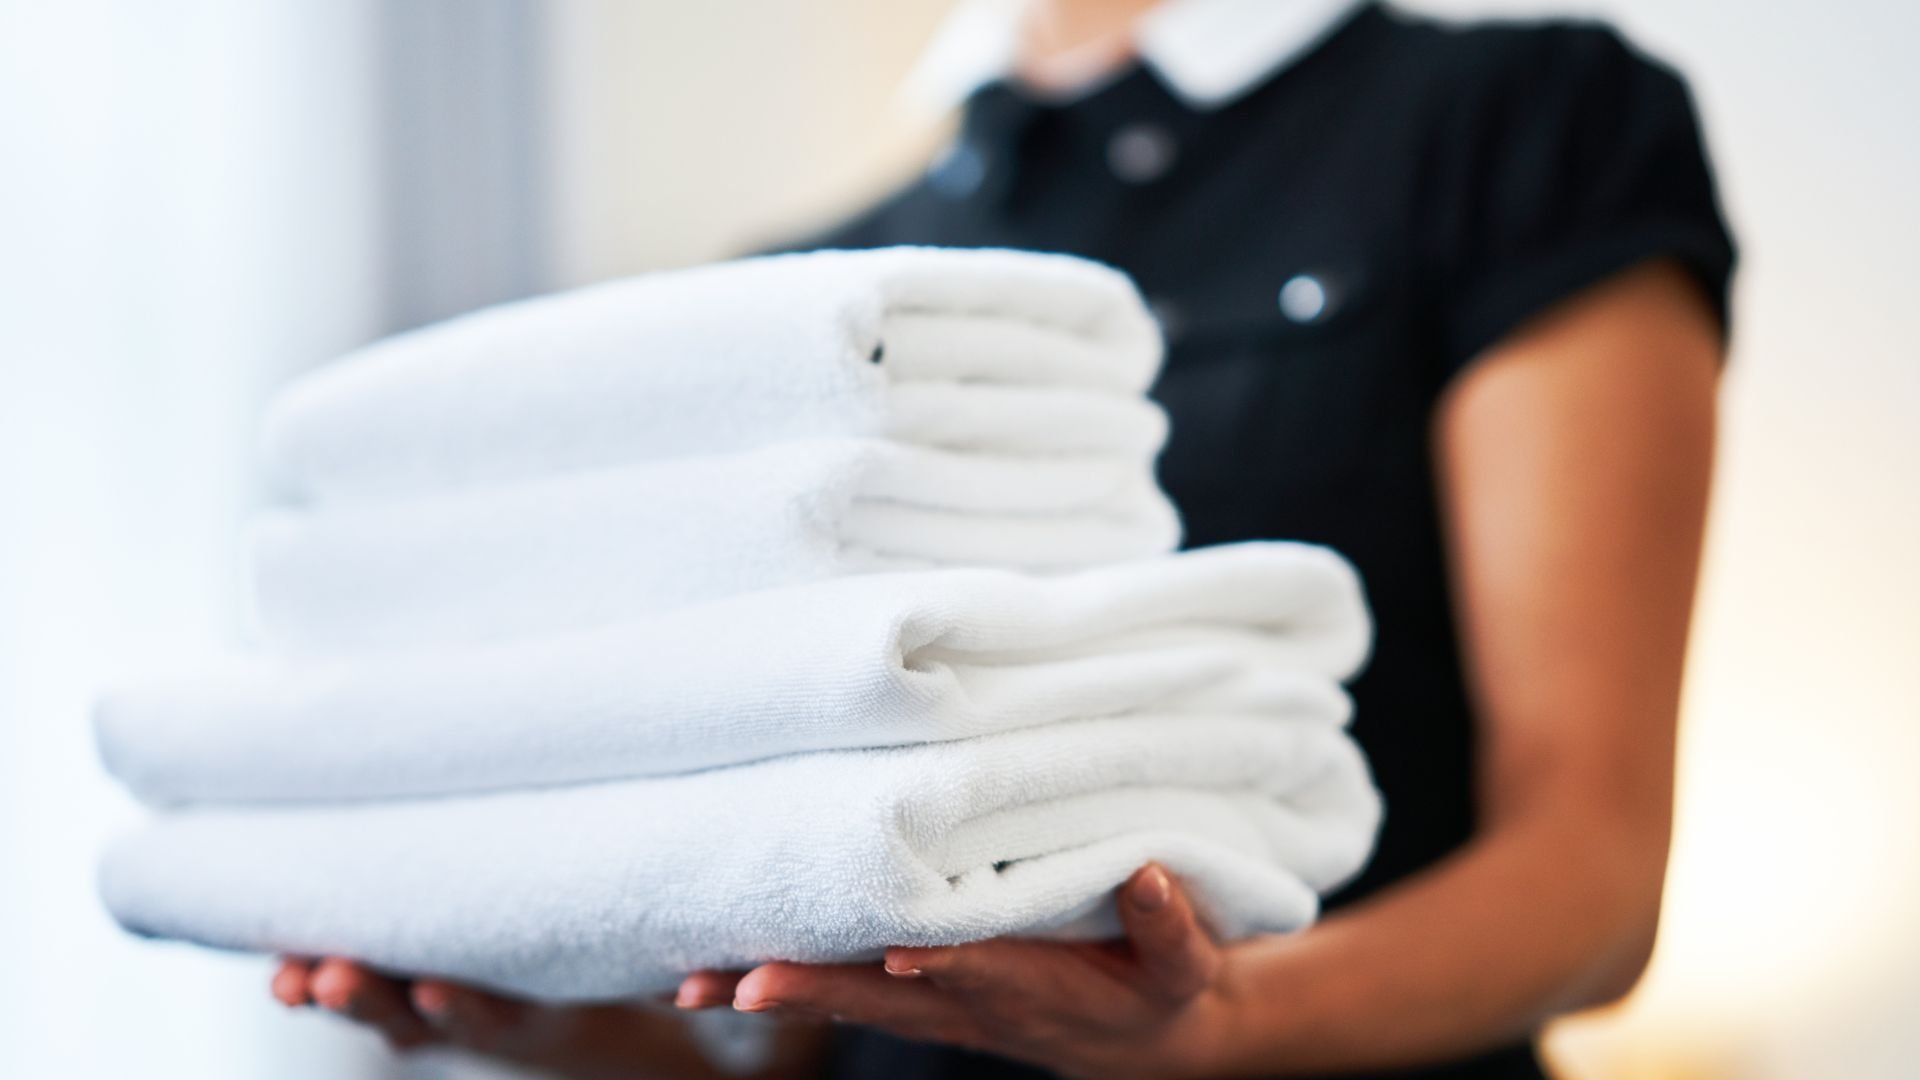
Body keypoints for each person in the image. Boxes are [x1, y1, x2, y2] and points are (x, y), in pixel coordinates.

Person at [270, 0, 1735, 1076]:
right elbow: (796, 1017)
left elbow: (1592, 877)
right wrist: (557, 1020)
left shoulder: (1520, 124)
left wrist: (1220, 1026)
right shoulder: (800, 302)